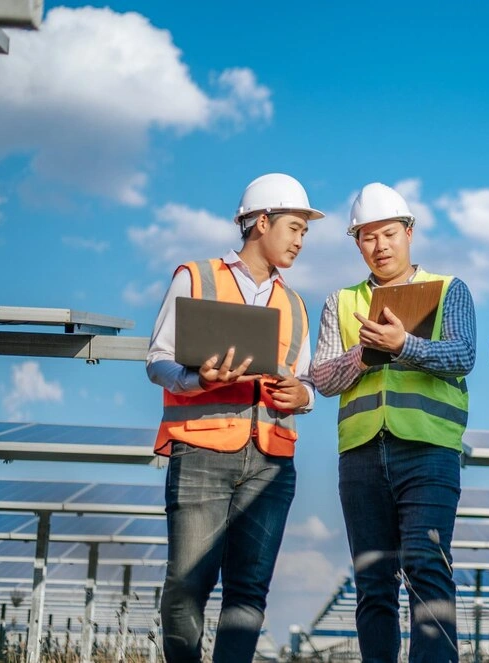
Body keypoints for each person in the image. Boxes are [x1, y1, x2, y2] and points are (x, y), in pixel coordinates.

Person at [146, 173, 322, 662]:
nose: (300, 240)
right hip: (201, 450)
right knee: (187, 585)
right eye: (294, 227)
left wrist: (300, 395)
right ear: (261, 222)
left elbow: (305, 382)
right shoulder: (196, 277)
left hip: (271, 462)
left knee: (249, 594)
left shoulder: (295, 303)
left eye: (305, 231)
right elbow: (157, 359)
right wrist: (199, 379)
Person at [311, 182, 476, 662]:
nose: (379, 246)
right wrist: (366, 355)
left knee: (427, 567)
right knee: (373, 578)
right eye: (367, 237)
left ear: (409, 232)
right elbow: (322, 378)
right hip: (361, 456)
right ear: (356, 242)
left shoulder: (449, 290)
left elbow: (462, 353)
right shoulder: (340, 302)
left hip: (428, 452)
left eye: (388, 234)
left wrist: (404, 345)